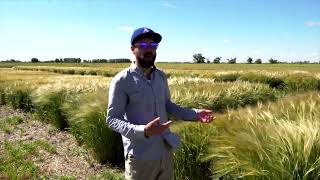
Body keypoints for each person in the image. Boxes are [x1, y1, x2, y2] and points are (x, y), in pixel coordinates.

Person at [106, 27, 214, 180]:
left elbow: (168, 105)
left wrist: (196, 114)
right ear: (133, 49)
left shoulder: (160, 76)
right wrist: (143, 130)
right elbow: (112, 119)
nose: (149, 49)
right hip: (141, 157)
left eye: (153, 45)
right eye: (143, 45)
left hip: (165, 151)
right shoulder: (122, 80)